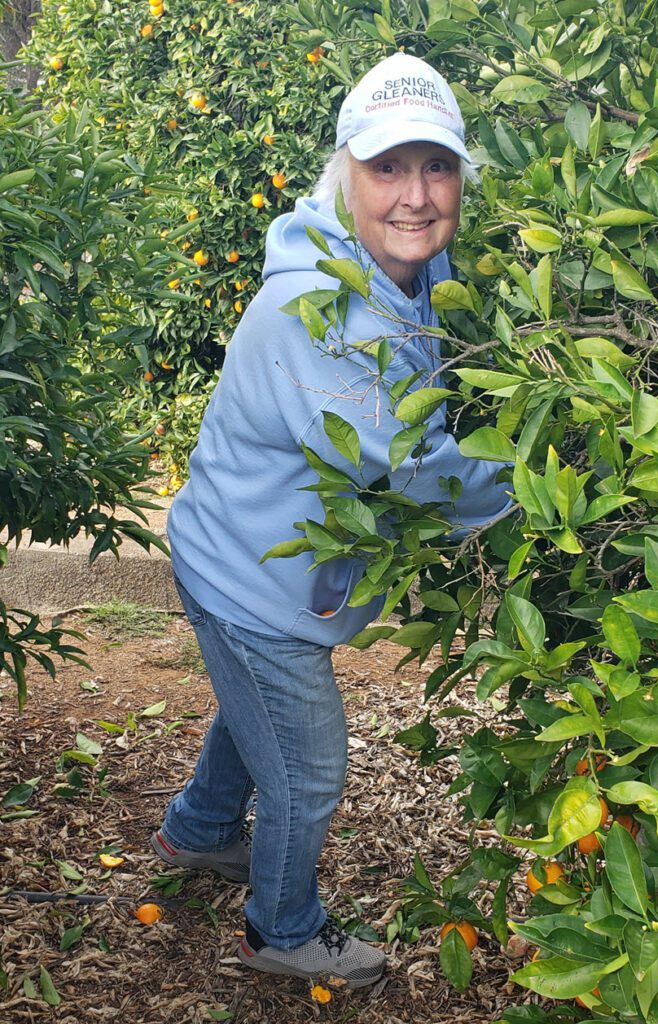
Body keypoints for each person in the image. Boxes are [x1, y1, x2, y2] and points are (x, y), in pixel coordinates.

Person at [150, 51, 512, 988]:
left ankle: (199, 834)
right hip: (248, 577)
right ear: (345, 173)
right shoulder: (318, 315)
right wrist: (546, 487)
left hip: (242, 557)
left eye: (436, 166)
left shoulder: (400, 273)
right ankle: (282, 929)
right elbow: (408, 466)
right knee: (307, 772)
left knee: (253, 714)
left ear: (463, 176)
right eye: (388, 168)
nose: (416, 195)